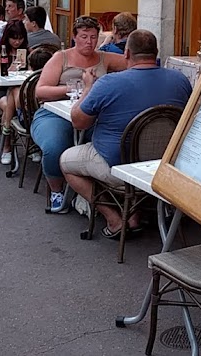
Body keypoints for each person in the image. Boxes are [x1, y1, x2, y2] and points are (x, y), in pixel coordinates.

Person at [64, 29, 192, 236]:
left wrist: (88, 87)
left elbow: (78, 122)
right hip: (166, 164)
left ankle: (115, 219)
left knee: (66, 161)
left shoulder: (108, 83)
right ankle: (136, 208)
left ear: (127, 54)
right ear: (156, 52)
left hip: (119, 167)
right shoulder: (180, 80)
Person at [31, 16, 129, 214]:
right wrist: (74, 88)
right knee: (54, 145)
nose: (89, 42)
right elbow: (40, 91)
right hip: (55, 113)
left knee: (113, 142)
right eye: (84, 37)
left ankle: (100, 191)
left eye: (93, 37)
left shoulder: (104, 57)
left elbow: (134, 63)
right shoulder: (61, 57)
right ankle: (56, 190)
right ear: (74, 37)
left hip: (91, 115)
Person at [0, 21, 29, 166]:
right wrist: (12, 67)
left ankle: (29, 142)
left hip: (19, 90)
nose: (17, 42)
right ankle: (7, 147)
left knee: (21, 98)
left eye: (20, 38)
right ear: (7, 37)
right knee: (7, 105)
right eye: (14, 38)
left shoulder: (27, 52)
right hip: (0, 92)